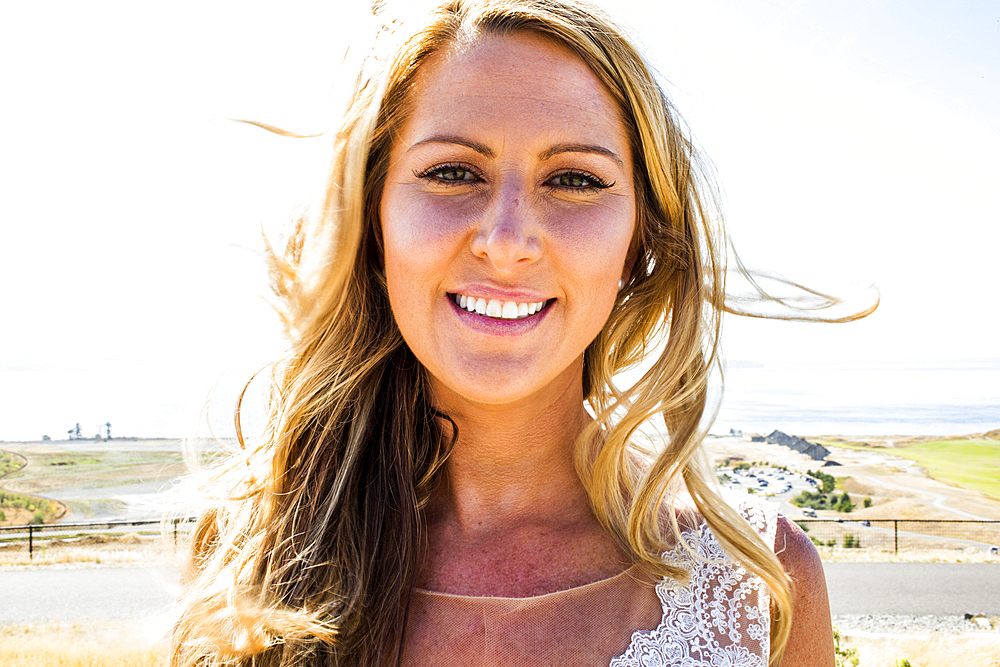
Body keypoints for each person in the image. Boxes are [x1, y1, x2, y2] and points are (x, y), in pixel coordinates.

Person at [172, 1, 847, 665]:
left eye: (576, 179)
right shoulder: (250, 555)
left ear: (642, 238)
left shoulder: (758, 589)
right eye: (452, 172)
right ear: (373, 216)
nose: (506, 241)